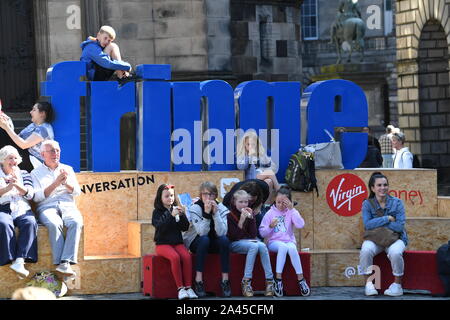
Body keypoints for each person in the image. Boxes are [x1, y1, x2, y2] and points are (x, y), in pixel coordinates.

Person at [30, 140, 83, 277]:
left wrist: (65, 183)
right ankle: (62, 263)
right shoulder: (35, 173)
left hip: (67, 204)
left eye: (57, 150)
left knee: (76, 222)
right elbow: (37, 197)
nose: (56, 153)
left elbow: (77, 191)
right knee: (55, 223)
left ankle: (65, 262)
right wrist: (56, 183)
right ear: (42, 154)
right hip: (46, 206)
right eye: (52, 151)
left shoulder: (68, 169)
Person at [360, 172, 408, 297]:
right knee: (365, 250)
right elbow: (367, 225)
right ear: (372, 188)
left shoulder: (397, 203)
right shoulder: (367, 204)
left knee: (396, 252)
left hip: (395, 237)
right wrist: (387, 218)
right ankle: (369, 284)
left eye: (385, 185)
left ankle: (397, 286)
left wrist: (377, 223)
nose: (383, 188)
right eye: (379, 185)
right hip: (376, 239)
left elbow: (399, 226)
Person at [259, 187, 310, 297]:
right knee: (282, 247)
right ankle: (278, 280)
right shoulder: (270, 213)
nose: (281, 205)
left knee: (291, 248)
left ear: (289, 202)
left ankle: (301, 280)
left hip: (289, 241)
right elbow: (262, 233)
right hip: (274, 242)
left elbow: (300, 225)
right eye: (278, 202)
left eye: (284, 203)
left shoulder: (291, 212)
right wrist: (270, 227)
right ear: (274, 201)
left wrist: (292, 210)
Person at [183, 181, 231, 297]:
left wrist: (215, 214)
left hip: (214, 240)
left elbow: (222, 232)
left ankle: (225, 281)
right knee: (205, 240)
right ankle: (198, 280)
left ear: (215, 196)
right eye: (205, 194)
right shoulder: (195, 208)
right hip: (197, 241)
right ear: (201, 195)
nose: (208, 197)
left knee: (225, 240)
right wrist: (206, 213)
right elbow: (201, 232)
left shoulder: (222, 208)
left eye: (211, 194)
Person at [152, 183, 198, 300]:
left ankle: (188, 287)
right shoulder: (157, 212)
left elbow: (185, 227)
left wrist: (182, 215)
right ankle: (180, 289)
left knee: (186, 257)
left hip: (177, 243)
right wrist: (170, 215)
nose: (170, 198)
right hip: (162, 244)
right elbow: (160, 227)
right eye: (167, 196)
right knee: (175, 257)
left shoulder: (176, 209)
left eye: (172, 195)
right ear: (160, 198)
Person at [227, 190, 275, 297]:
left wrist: (251, 218)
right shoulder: (229, 215)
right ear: (234, 202)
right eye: (241, 202)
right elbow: (235, 237)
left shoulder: (250, 212)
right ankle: (246, 281)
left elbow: (253, 234)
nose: (244, 204)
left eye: (246, 202)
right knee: (254, 246)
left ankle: (270, 281)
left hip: (249, 241)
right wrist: (242, 220)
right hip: (235, 243)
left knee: (262, 245)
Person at [0, 145, 37, 278]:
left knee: (30, 222)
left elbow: (30, 194)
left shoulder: (24, 173)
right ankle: (8, 259)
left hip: (22, 207)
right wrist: (9, 187)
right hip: (3, 207)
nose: (14, 161)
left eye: (16, 158)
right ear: (2, 160)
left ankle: (20, 261)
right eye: (10, 158)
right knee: (3, 223)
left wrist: (17, 185)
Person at [0, 100, 54, 172]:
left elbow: (24, 145)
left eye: (34, 110)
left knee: (3, 131)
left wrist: (6, 127)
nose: (30, 112)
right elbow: (16, 138)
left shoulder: (44, 128)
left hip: (33, 160)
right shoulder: (33, 125)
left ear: (42, 113)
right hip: (23, 153)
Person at [236, 130, 280, 203]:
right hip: (250, 179)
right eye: (248, 144)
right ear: (244, 144)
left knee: (269, 182)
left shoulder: (261, 153)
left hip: (260, 177)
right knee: (270, 173)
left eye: (253, 144)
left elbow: (272, 166)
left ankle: (266, 204)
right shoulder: (242, 155)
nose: (250, 147)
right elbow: (241, 167)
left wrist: (265, 163)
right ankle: (281, 194)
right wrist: (249, 157)